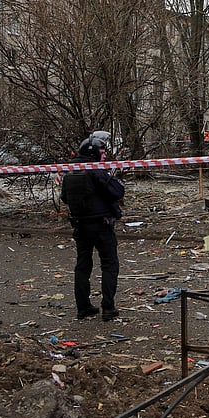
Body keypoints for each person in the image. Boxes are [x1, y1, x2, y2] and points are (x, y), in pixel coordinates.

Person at [60, 135, 125, 321]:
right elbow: (116, 191)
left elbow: (65, 197)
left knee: (82, 266)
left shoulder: (70, 171)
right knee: (110, 264)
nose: (104, 156)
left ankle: (83, 307)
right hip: (101, 225)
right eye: (102, 152)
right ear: (94, 153)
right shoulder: (94, 169)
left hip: (80, 225)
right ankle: (108, 307)